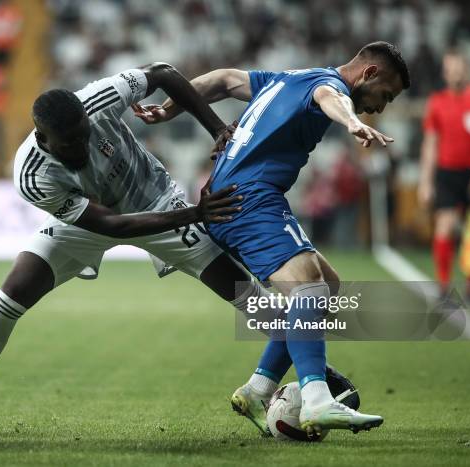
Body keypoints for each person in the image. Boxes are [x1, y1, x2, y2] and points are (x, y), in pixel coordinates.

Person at [0, 62, 356, 437]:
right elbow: (109, 225)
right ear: (43, 138)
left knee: (250, 298)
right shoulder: (33, 175)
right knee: (10, 295)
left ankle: (306, 367)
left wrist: (218, 127)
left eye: (84, 134)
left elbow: (163, 73)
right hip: (94, 222)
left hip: (156, 201)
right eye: (68, 143)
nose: (80, 146)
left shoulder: (98, 99)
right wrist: (194, 215)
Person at [134, 41, 410, 438]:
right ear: (368, 73)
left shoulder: (290, 77)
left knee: (327, 286)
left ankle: (256, 390)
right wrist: (351, 123)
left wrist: (168, 108)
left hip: (243, 197)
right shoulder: (326, 85)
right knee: (309, 289)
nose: (381, 108)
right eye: (385, 96)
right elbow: (331, 98)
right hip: (247, 200)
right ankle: (317, 401)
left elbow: (224, 79)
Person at [418, 50, 470, 302]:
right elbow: (430, 143)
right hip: (447, 173)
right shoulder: (436, 102)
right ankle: (443, 285)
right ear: (445, 72)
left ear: (466, 70)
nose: (453, 72)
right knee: (444, 227)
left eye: (457, 67)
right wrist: (425, 182)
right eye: (449, 68)